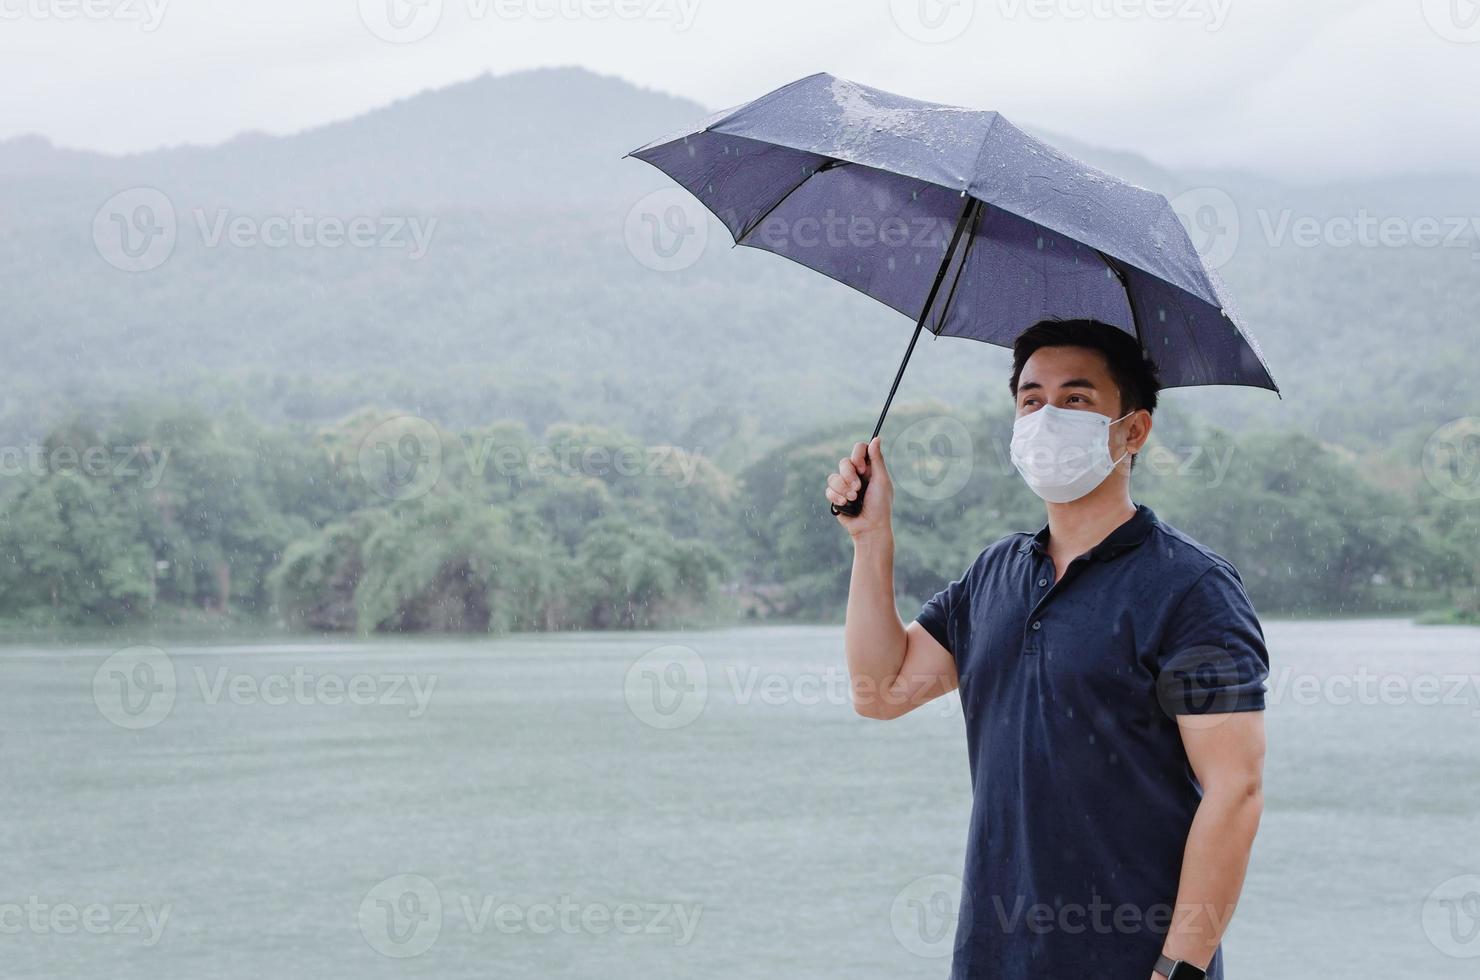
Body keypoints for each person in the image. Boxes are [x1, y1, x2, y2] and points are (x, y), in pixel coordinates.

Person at [824, 319, 1268, 980]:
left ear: (1134, 430)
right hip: (994, 958)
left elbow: (1236, 790)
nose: (1047, 417)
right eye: (1031, 400)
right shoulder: (995, 574)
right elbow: (880, 692)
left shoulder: (1189, 588)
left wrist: (1181, 967)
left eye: (1077, 399)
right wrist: (871, 538)